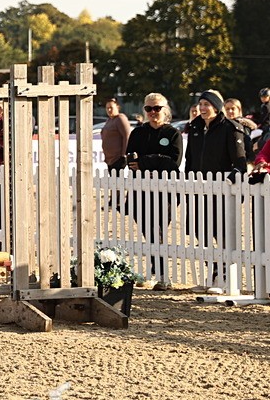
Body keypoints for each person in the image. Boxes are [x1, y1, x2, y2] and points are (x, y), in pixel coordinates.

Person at [185, 89, 246, 291]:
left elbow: (240, 164)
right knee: (200, 232)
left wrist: (230, 183)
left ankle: (226, 277)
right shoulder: (194, 126)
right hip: (198, 190)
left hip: (222, 192)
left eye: (206, 104)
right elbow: (190, 159)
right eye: (200, 104)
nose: (202, 108)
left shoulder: (231, 128)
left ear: (216, 107)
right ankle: (213, 272)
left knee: (221, 233)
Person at [124, 93, 183, 290]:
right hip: (139, 189)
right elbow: (131, 161)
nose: (152, 112)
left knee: (157, 229)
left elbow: (173, 163)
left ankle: (161, 273)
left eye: (156, 108)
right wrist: (154, 160)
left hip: (163, 191)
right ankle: (156, 269)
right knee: (147, 230)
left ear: (165, 110)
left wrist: (145, 161)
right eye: (148, 109)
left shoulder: (173, 134)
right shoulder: (138, 133)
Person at [101, 98, 132, 173]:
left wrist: (123, 155)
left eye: (111, 108)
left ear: (117, 107)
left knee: (117, 181)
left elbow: (127, 136)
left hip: (118, 158)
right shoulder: (109, 120)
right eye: (107, 108)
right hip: (109, 159)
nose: (109, 110)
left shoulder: (120, 119)